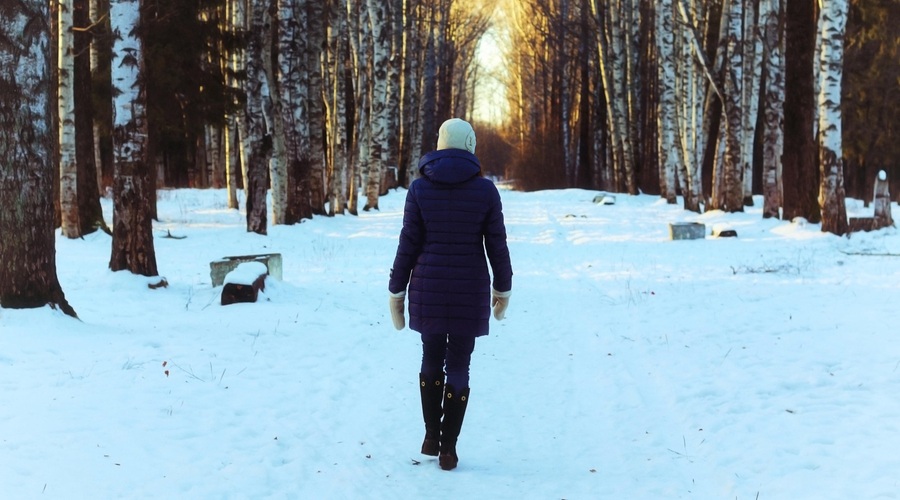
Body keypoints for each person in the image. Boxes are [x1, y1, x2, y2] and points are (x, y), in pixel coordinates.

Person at [388, 118, 513, 471]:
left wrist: (396, 290)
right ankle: (448, 448)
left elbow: (408, 244)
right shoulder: (486, 191)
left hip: (428, 287)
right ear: (470, 145)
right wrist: (502, 286)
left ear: (440, 144)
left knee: (431, 356)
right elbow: (497, 245)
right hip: (468, 289)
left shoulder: (418, 189)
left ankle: (430, 434)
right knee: (459, 364)